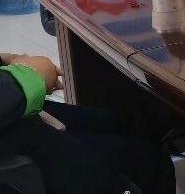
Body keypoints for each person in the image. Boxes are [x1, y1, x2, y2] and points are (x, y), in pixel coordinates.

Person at [0, 53, 174, 193]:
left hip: (16, 115)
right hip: (16, 154)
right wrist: (27, 77)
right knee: (150, 162)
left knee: (114, 123)